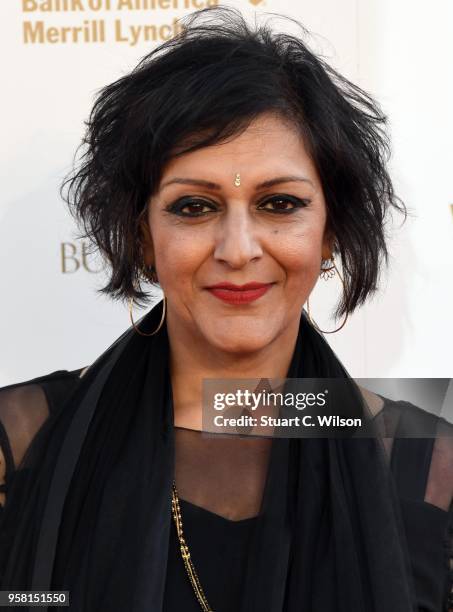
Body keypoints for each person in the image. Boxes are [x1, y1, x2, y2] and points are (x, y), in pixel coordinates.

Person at [0, 6, 452, 612]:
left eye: (280, 204)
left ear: (330, 233)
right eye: (194, 207)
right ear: (141, 234)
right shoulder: (21, 442)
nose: (238, 250)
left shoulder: (431, 467)